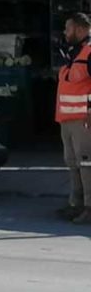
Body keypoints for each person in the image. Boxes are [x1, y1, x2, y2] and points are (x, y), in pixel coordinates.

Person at [55, 13, 91, 224]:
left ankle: (89, 207)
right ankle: (76, 204)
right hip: (68, 119)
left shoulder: (88, 52)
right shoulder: (74, 53)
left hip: (84, 120)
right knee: (73, 163)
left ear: (79, 29)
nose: (65, 33)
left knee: (87, 164)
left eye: (68, 29)